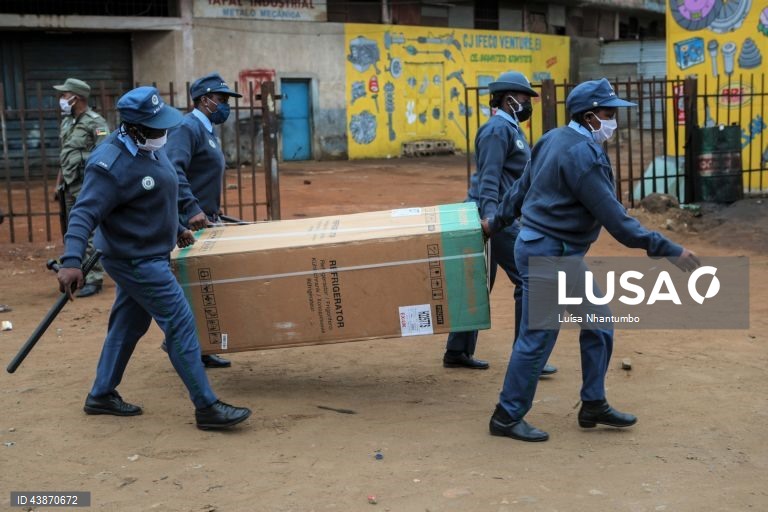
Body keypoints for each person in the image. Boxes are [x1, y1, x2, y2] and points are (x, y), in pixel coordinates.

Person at [485, 78, 701, 442]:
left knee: (599, 323)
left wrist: (497, 220)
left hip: (556, 252)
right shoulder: (582, 155)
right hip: (548, 253)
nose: (614, 119)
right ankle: (506, 416)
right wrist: (670, 250)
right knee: (538, 336)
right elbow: (618, 222)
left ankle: (593, 403)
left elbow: (520, 190)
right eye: (609, 113)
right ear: (589, 117)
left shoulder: (552, 138)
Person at [56, 86, 251, 430]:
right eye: (156, 127)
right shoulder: (109, 164)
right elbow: (83, 213)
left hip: (151, 251)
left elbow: (153, 197)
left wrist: (175, 226)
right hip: (135, 259)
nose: (163, 132)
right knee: (178, 320)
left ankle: (101, 394)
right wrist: (72, 260)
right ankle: (206, 406)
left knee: (129, 324)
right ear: (133, 127)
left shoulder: (151, 147)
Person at [442, 71, 557, 377]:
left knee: (477, 284)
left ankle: (457, 351)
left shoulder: (510, 128)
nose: (527, 104)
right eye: (524, 99)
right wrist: (491, 219)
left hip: (498, 216)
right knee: (529, 276)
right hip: (492, 217)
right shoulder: (496, 130)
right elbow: (489, 177)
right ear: (509, 99)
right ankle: (527, 356)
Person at [164, 72, 243, 369]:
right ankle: (183, 347)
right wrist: (192, 207)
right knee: (188, 289)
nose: (225, 106)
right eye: (222, 100)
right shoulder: (187, 128)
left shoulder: (207, 129)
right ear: (204, 99)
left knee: (199, 288)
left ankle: (197, 347)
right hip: (187, 223)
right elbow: (174, 170)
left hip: (204, 219)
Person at [53, 78, 109, 298]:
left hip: (87, 186)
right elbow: (65, 155)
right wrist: (59, 183)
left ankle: (94, 277)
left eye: (65, 95)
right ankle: (78, 272)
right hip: (69, 185)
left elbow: (103, 155)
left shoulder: (96, 123)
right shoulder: (67, 123)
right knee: (73, 231)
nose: (62, 99)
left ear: (77, 98)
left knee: (89, 232)